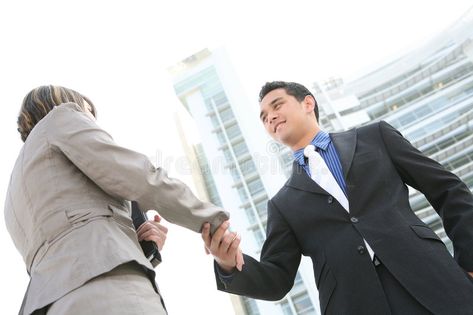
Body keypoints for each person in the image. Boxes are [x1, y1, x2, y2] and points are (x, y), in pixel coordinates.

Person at [202, 81, 473, 314]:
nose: (270, 117)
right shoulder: (282, 205)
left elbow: (447, 190)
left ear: (308, 103)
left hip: (436, 281)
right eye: (263, 117)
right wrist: (228, 264)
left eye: (277, 105)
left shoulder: (376, 137)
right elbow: (277, 279)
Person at [4, 85, 237, 315]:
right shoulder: (63, 117)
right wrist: (212, 222)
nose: (92, 124)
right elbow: (142, 179)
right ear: (66, 101)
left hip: (47, 304)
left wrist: (132, 242)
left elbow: (67, 242)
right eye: (89, 114)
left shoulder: (13, 192)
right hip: (108, 291)